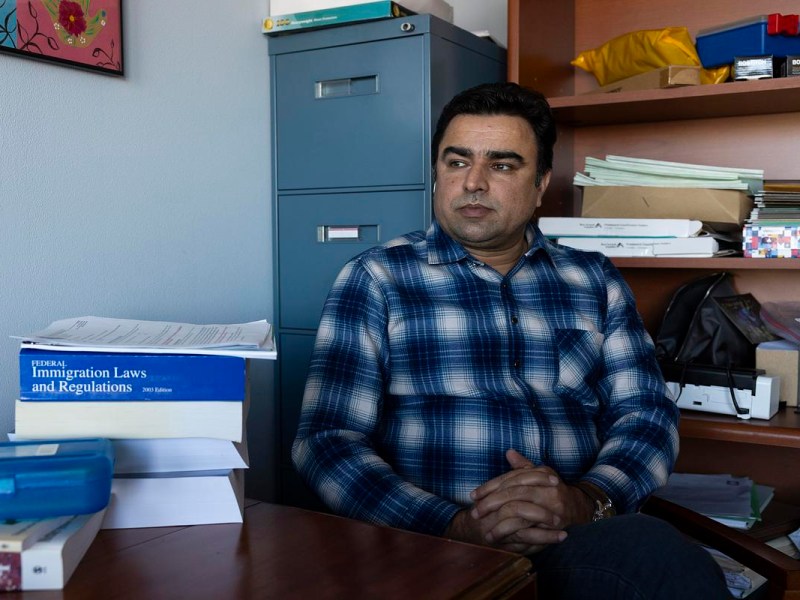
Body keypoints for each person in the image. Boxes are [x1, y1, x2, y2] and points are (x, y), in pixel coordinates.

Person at [293, 82, 731, 599]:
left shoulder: (593, 279)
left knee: (655, 556)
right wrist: (455, 525)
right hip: (429, 547)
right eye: (457, 162)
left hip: (573, 539)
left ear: (541, 184)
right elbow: (326, 441)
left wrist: (586, 500)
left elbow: (647, 415)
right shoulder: (377, 278)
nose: (473, 182)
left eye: (502, 165)